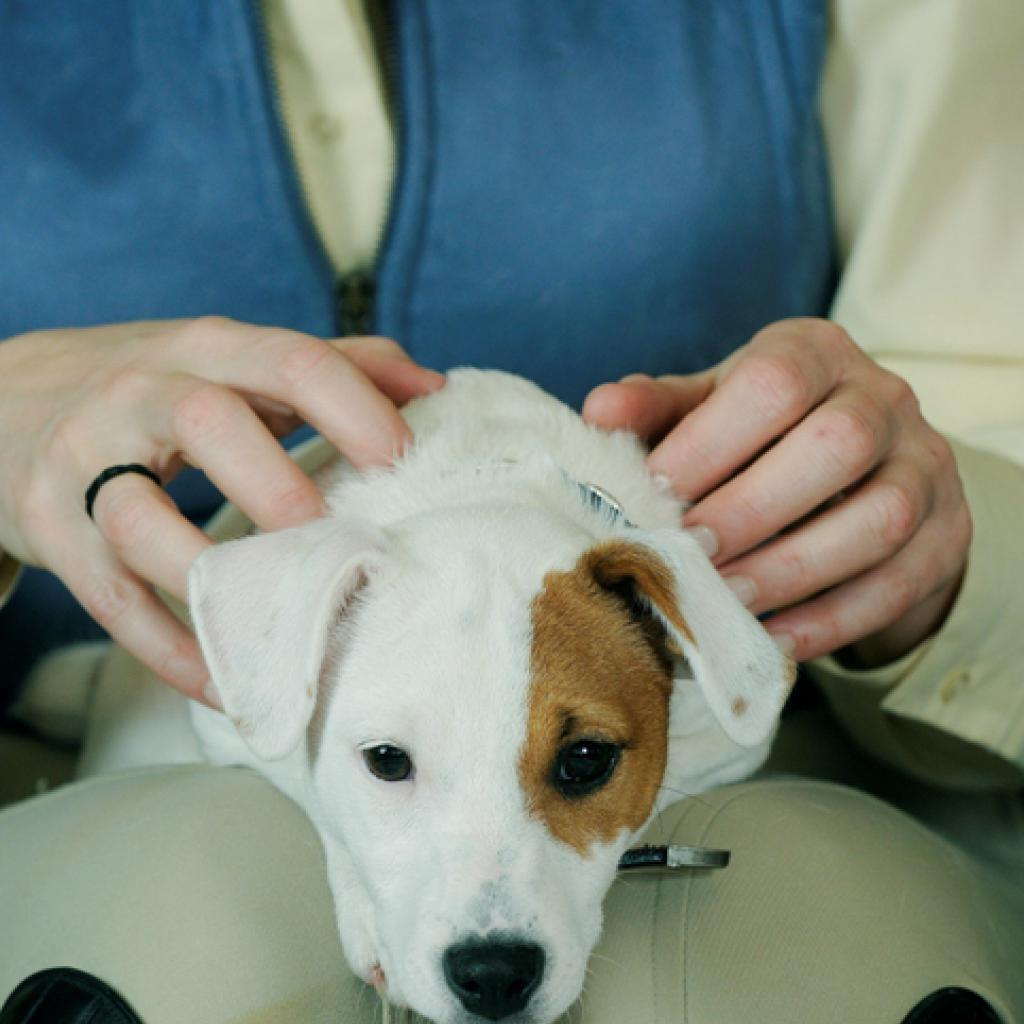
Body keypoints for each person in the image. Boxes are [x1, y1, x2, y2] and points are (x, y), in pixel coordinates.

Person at [1, 1, 1022, 1021]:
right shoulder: (294, 614)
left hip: (830, 777)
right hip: (72, 771)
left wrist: (929, 547)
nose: (492, 920)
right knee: (178, 951)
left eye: (578, 763)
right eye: (391, 760)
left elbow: (749, 700)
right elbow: (235, 723)